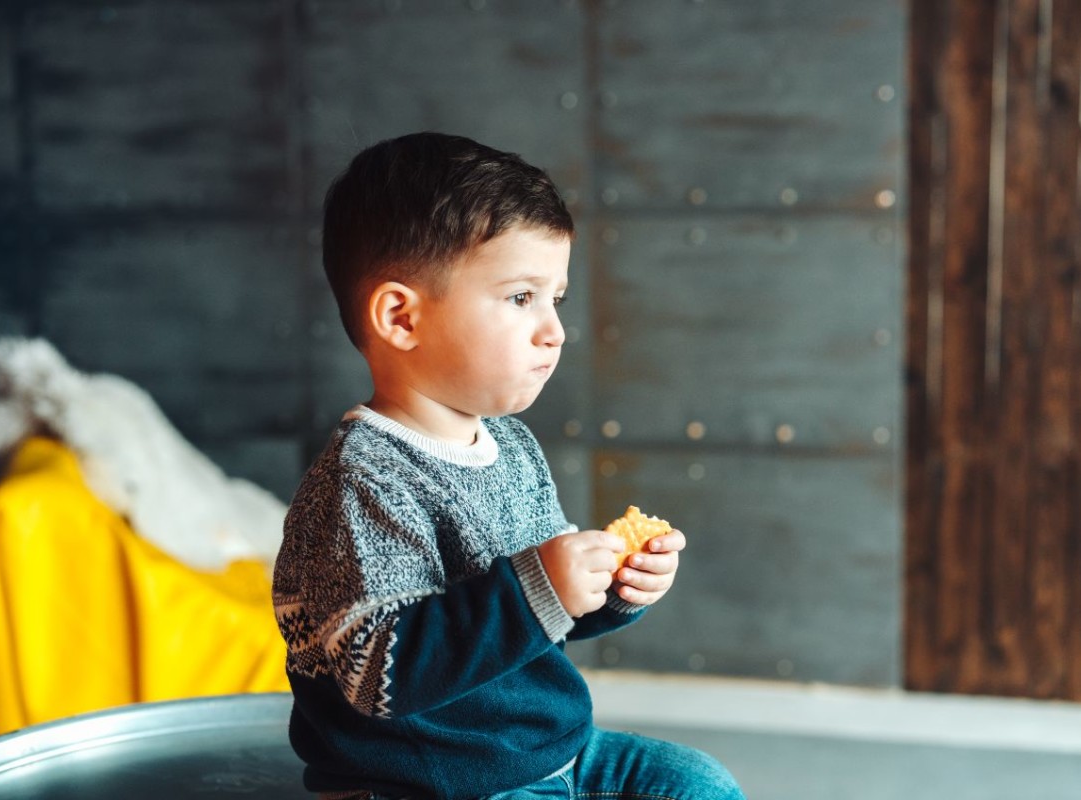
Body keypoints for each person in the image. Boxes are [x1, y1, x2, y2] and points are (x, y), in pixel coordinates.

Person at [272, 131, 746, 800]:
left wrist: (612, 587)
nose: (553, 329)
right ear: (401, 318)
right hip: (428, 778)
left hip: (547, 752)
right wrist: (538, 586)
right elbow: (376, 672)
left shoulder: (512, 447)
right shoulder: (362, 482)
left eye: (556, 297)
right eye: (522, 297)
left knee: (696, 784)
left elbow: (538, 615)